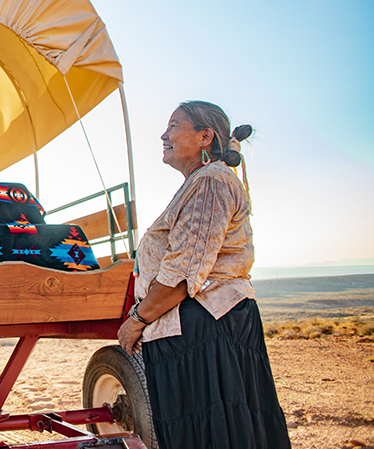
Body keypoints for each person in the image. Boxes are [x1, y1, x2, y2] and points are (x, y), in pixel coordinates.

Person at [117, 101, 290, 449]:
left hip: (207, 329)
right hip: (198, 330)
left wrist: (135, 320)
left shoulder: (211, 181)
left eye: (174, 125)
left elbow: (181, 275)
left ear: (204, 136)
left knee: (214, 434)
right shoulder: (201, 182)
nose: (163, 134)